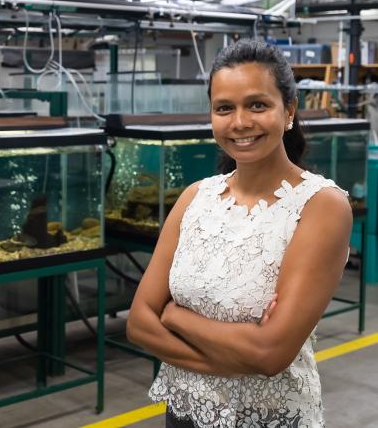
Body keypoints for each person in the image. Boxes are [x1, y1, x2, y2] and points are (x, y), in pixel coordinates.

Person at [125, 39, 353, 428]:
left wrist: (175, 315)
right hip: (183, 414)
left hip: (269, 418)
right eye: (224, 108)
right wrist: (232, 357)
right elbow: (138, 323)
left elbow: (269, 354)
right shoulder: (195, 198)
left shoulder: (320, 207)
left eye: (258, 105)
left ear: (289, 111)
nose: (240, 122)